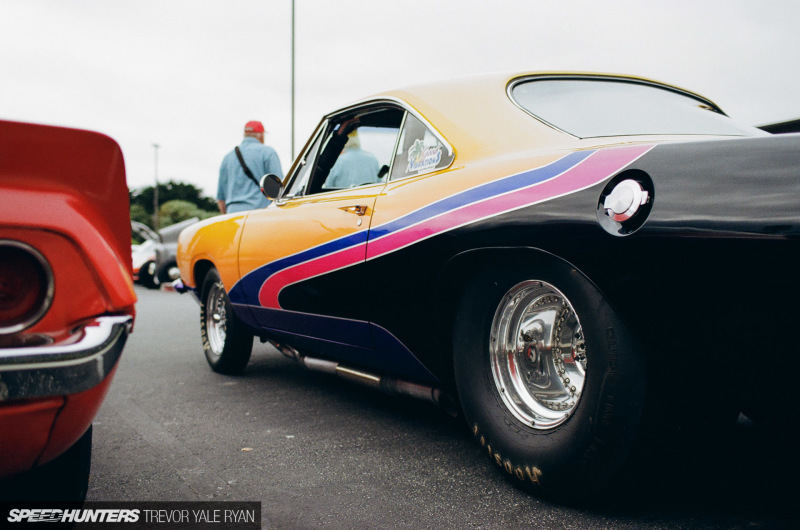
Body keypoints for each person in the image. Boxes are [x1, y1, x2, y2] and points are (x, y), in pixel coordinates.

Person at [217, 120, 283, 214]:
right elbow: (279, 188)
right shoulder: (267, 153)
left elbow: (220, 198)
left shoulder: (227, 158)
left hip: (232, 216)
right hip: (259, 214)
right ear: (260, 135)